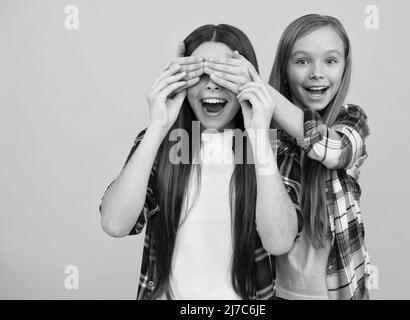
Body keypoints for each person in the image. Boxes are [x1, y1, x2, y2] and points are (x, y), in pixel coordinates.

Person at [99, 24, 302, 300]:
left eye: (225, 74)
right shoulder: (159, 144)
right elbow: (115, 223)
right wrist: (158, 126)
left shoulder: (273, 149)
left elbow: (278, 241)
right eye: (201, 73)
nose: (212, 84)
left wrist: (258, 135)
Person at [203, 14, 371, 299]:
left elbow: (332, 149)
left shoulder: (352, 120)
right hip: (271, 292)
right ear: (284, 67)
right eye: (302, 61)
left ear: (344, 67)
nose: (317, 72)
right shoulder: (261, 131)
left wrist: (258, 86)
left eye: (330, 61)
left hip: (342, 291)